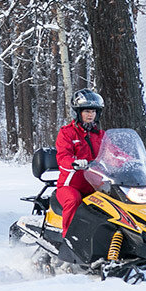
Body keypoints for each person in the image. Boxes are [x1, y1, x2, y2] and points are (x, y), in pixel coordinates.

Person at [55, 88, 105, 237]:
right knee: (73, 200)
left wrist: (129, 161)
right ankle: (69, 239)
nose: (91, 115)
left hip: (95, 185)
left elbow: (114, 152)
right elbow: (63, 157)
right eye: (87, 111)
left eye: (94, 112)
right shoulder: (67, 132)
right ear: (78, 113)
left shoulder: (101, 135)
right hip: (71, 185)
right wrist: (75, 163)